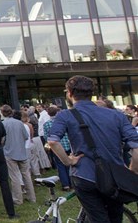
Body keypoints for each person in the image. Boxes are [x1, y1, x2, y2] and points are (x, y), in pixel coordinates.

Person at [48, 75, 138, 223]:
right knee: (115, 216)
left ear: (69, 93)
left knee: (97, 217)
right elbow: (136, 145)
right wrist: (133, 170)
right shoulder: (116, 115)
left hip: (85, 174)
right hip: (114, 175)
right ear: (92, 93)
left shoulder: (65, 115)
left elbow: (52, 141)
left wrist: (68, 161)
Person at [0, 105, 35, 205]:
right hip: (22, 152)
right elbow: (26, 136)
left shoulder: (4, 124)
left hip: (9, 152)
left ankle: (17, 199)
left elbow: (2, 140)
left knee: (14, 176)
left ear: (3, 113)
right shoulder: (20, 123)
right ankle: (32, 197)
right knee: (26, 175)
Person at [43, 105, 71, 190]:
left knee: (60, 165)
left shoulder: (46, 124)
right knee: (70, 164)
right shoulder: (64, 121)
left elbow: (46, 137)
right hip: (67, 145)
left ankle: (65, 185)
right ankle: (72, 182)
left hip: (56, 147)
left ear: (48, 114)